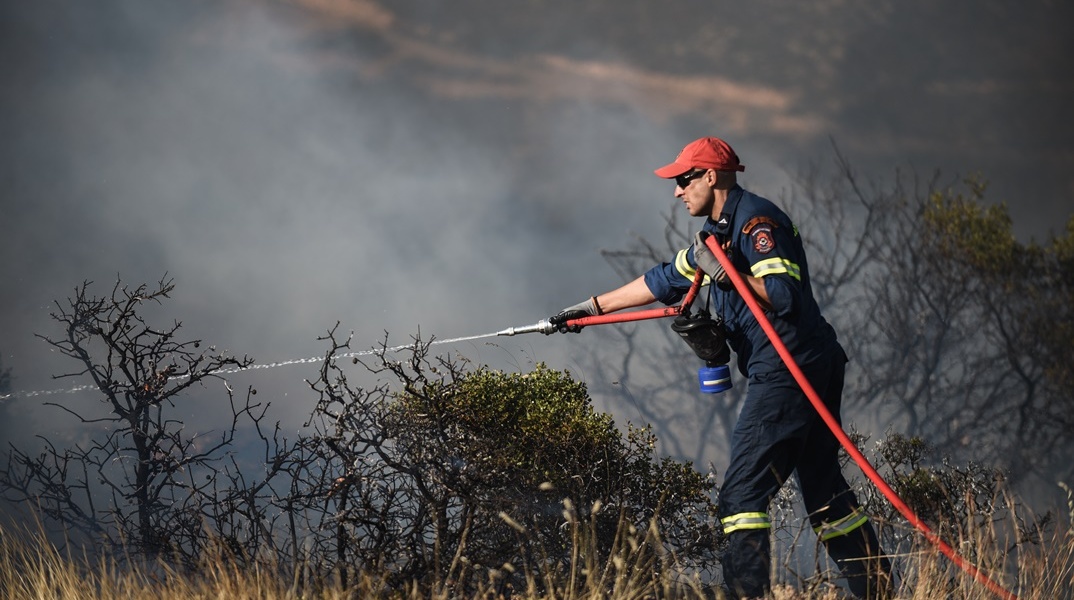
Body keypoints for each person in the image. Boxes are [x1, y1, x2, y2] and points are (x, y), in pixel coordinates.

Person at [547, 137, 892, 599]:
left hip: (789, 368)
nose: (676, 191)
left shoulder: (756, 223)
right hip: (809, 364)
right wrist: (588, 310)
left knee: (741, 498)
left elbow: (785, 295)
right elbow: (664, 280)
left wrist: (728, 272)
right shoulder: (715, 235)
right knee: (826, 496)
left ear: (712, 176)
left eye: (684, 179)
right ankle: (881, 590)